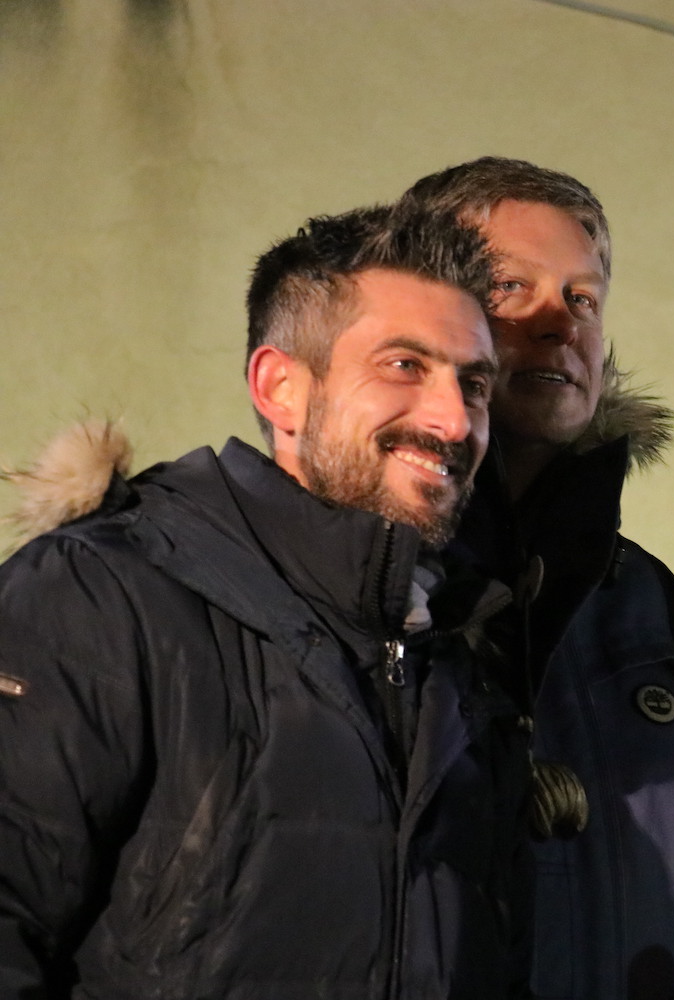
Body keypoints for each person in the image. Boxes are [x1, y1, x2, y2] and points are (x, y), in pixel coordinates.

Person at [0, 205, 535, 997]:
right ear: (280, 388)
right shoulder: (99, 594)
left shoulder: (458, 650)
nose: (453, 420)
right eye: (403, 365)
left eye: (474, 384)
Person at [398, 157, 674, 1000]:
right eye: (512, 287)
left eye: (583, 298)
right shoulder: (349, 583)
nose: (559, 324)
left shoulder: (660, 612)